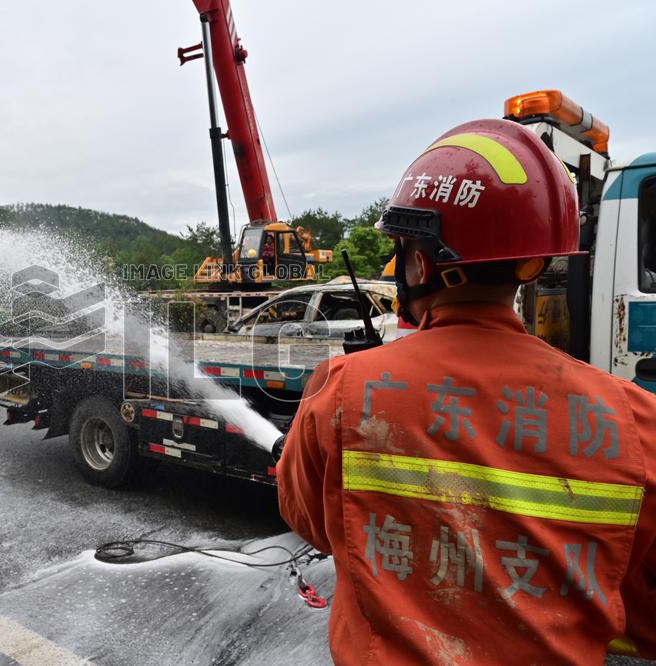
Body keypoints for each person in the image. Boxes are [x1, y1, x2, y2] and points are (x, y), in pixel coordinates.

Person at [276, 118, 655, 664]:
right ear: (533, 262)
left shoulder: (342, 391)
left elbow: (312, 524)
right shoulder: (637, 420)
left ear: (421, 261)